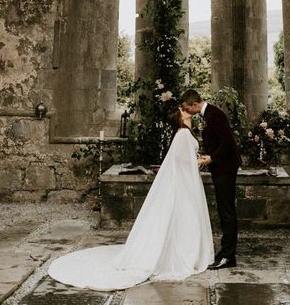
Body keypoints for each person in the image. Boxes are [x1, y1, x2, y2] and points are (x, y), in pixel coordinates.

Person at [47, 106, 214, 291]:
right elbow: (183, 160)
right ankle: (182, 253)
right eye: (182, 109)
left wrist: (198, 158)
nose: (186, 109)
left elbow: (184, 157)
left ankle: (184, 250)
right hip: (184, 181)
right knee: (185, 215)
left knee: (185, 216)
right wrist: (203, 161)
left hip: (186, 180)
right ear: (180, 118)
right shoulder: (183, 134)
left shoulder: (185, 132)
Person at [180, 88, 242, 270]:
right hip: (220, 168)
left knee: (227, 211)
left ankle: (229, 256)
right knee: (224, 210)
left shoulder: (214, 115)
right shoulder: (208, 115)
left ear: (194, 104)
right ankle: (225, 251)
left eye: (186, 108)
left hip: (226, 168)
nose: (186, 112)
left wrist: (211, 158)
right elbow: (217, 141)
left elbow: (228, 142)